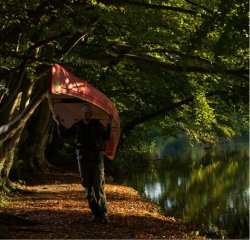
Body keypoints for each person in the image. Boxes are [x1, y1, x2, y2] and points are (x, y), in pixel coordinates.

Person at [54, 103, 112, 224]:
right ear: (82, 114)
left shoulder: (97, 125)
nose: (86, 115)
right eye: (84, 113)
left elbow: (106, 137)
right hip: (83, 161)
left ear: (91, 114)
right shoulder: (77, 125)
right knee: (88, 190)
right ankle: (96, 214)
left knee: (98, 189)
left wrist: (109, 124)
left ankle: (104, 214)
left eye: (88, 113)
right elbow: (64, 135)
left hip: (96, 161)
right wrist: (58, 122)